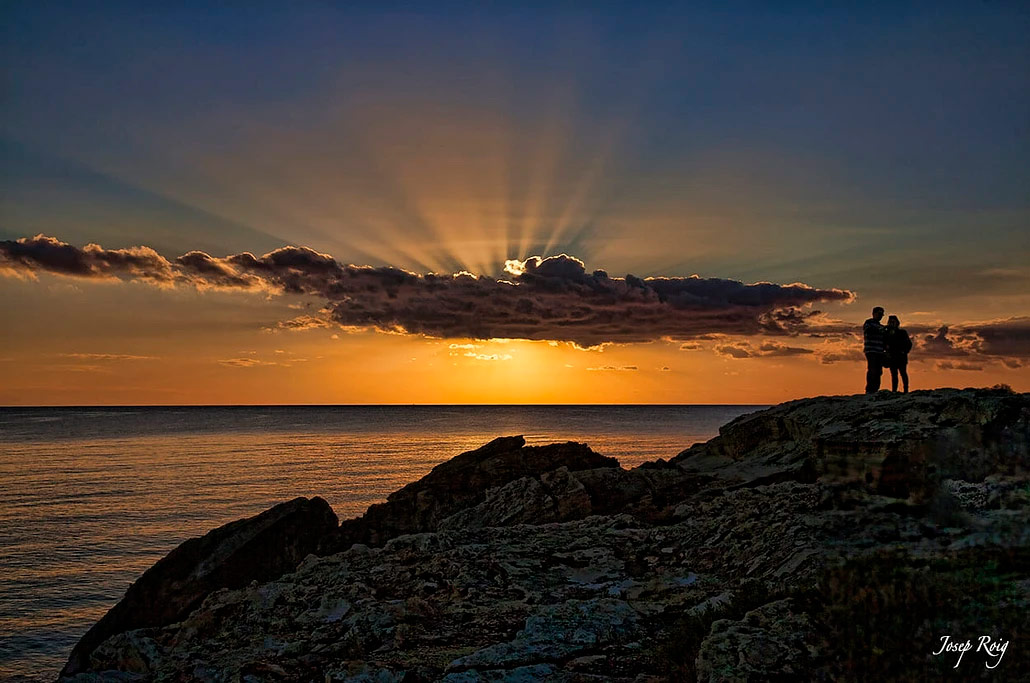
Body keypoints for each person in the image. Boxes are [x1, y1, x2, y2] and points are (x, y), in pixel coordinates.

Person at [884, 315, 912, 393]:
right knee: (894, 375)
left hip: (901, 357)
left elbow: (909, 344)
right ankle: (894, 391)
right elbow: (884, 343)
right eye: (890, 322)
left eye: (893, 322)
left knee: (903, 373)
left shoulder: (902, 332)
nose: (892, 323)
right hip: (892, 357)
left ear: (897, 323)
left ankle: (906, 390)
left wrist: (904, 351)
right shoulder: (887, 333)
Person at [862, 306, 887, 393]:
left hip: (879, 351)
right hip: (871, 350)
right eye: (879, 314)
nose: (880, 316)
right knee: (872, 369)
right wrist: (882, 329)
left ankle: (875, 389)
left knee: (879, 371)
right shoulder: (868, 323)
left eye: (881, 315)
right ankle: (869, 389)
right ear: (873, 314)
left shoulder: (882, 327)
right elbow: (869, 330)